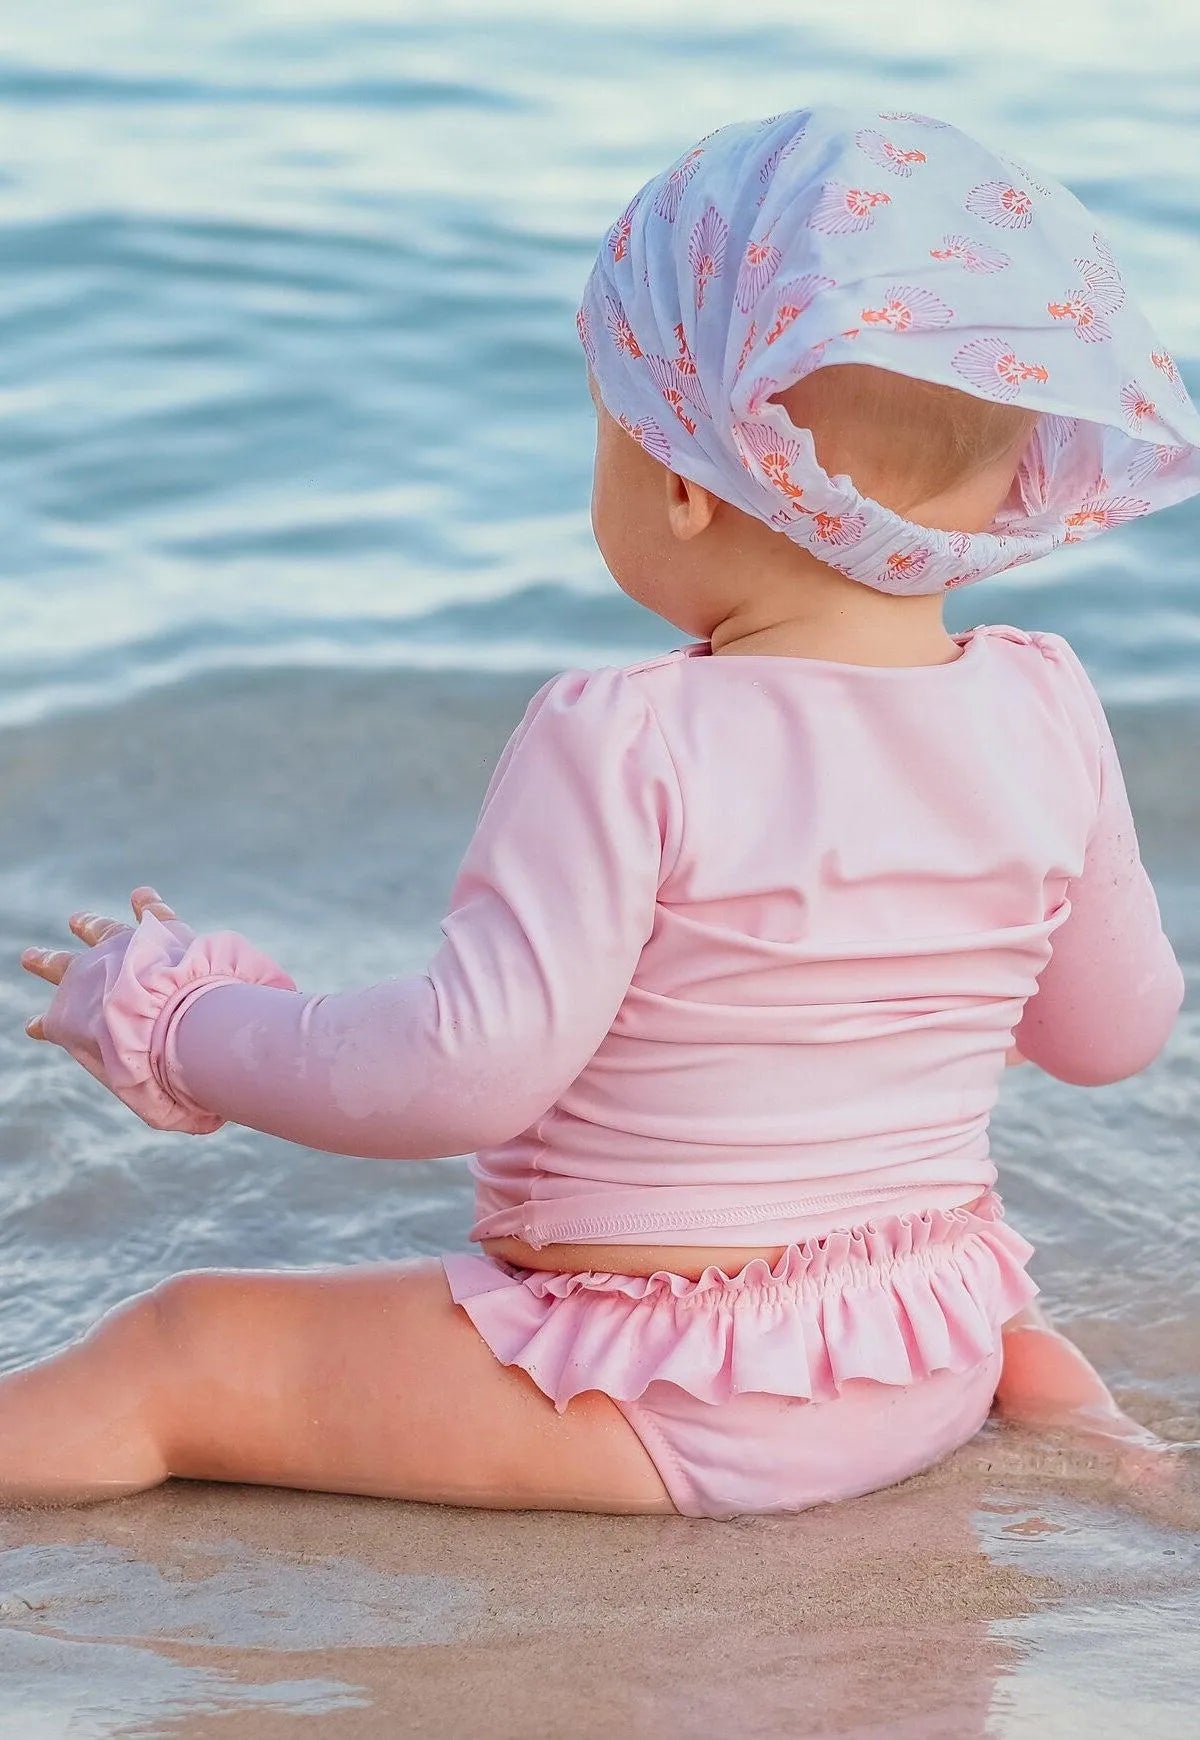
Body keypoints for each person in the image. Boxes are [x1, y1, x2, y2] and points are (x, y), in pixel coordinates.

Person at [13, 103, 1199, 1519]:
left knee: (176, 1349)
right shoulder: (1046, 702)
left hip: (676, 1391)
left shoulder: (629, 733)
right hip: (929, 1338)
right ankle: (1078, 1415)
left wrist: (190, 1028)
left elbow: (460, 1073)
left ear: (688, 488)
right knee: (937, 1250)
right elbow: (1112, 1033)